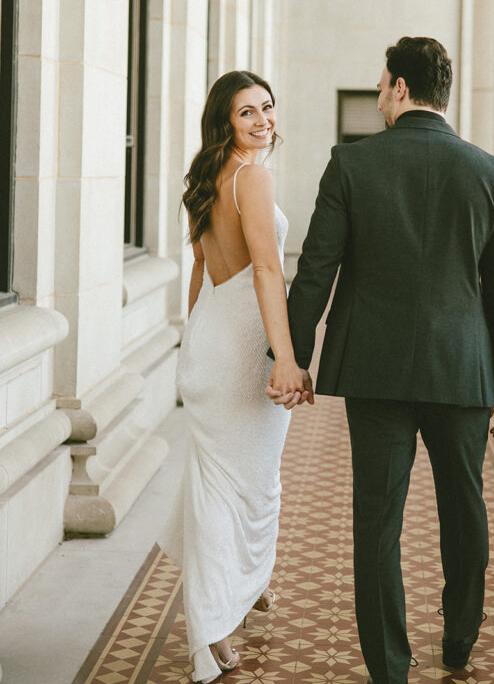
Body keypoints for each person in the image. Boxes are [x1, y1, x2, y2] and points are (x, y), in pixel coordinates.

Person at [270, 37, 494, 684]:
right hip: (462, 370)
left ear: (401, 89)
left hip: (373, 372)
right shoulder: (492, 174)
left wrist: (292, 358)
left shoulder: (351, 165)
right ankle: (459, 642)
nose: (381, 96)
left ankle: (388, 666)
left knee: (376, 520)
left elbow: (315, 271)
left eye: (382, 86)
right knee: (463, 511)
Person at [159, 70, 312, 684]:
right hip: (245, 341)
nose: (263, 121)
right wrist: (286, 357)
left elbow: (198, 269)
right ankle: (213, 626)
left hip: (210, 334)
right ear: (225, 121)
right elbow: (268, 273)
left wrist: (191, 341)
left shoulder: (205, 178)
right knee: (245, 486)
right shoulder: (252, 176)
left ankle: (246, 585)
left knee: (230, 478)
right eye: (247, 112)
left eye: (268, 108)